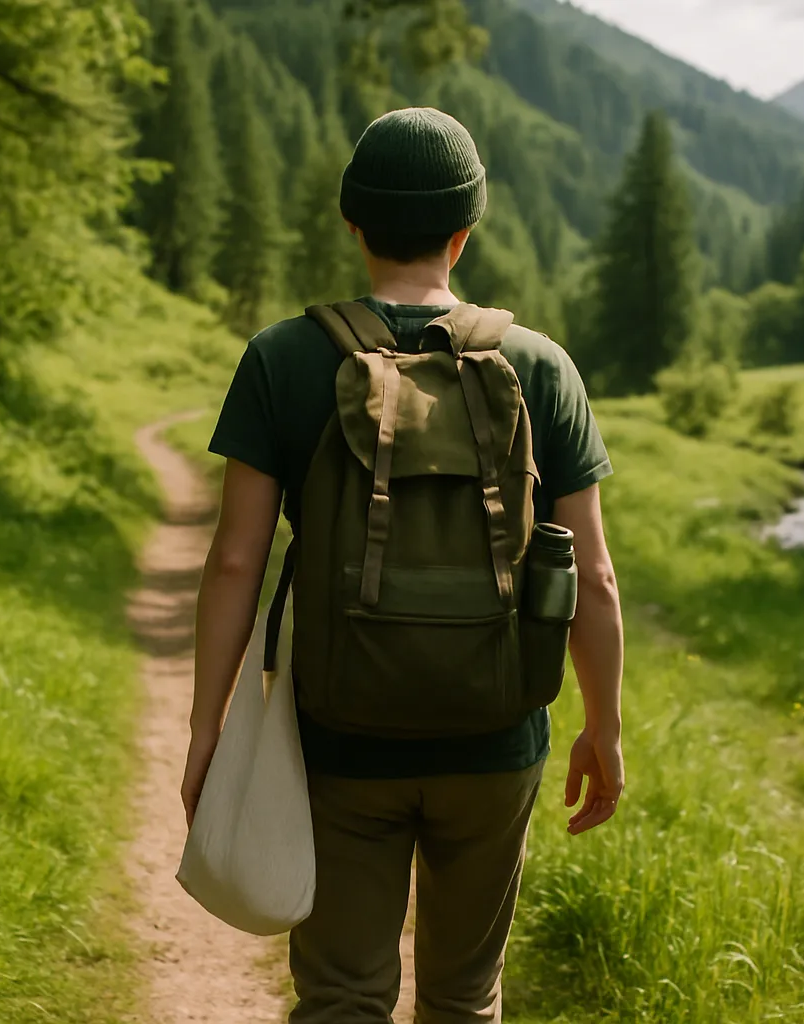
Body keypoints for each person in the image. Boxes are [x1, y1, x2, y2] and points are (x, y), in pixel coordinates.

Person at [184, 106, 625, 1023]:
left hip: (344, 736)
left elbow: (235, 563)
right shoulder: (540, 367)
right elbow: (596, 576)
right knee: (465, 999)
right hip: (497, 737)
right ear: (465, 232)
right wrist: (603, 728)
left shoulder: (285, 358)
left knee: (343, 993)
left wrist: (208, 731)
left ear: (355, 223)